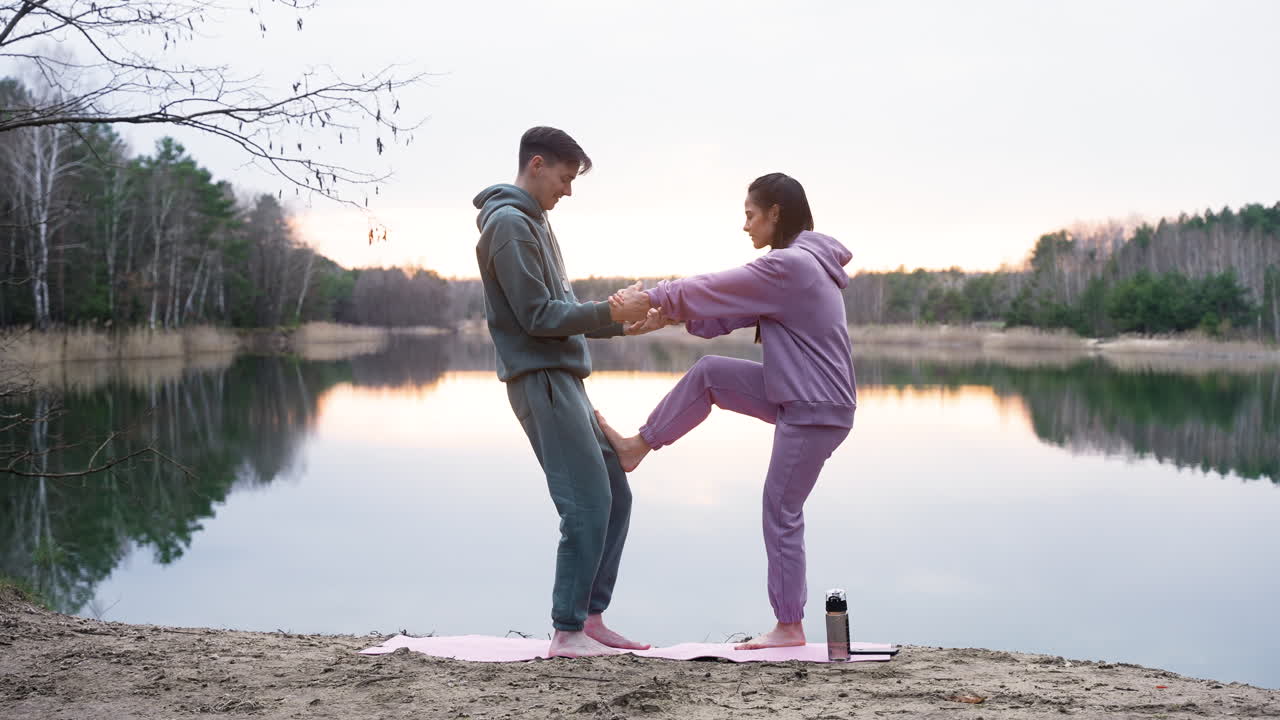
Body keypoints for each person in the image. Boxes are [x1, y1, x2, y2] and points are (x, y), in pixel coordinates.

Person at [597, 172, 857, 650]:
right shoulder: (797, 267)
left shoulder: (792, 265)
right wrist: (666, 315)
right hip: (800, 394)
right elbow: (724, 312)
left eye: (750, 214)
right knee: (711, 374)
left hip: (815, 406)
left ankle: (789, 626)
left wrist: (652, 297)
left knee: (781, 509)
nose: (745, 226)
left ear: (775, 212)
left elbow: (715, 286)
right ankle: (638, 446)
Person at [473, 126, 661, 658]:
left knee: (614, 493)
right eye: (565, 177)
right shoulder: (509, 225)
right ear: (536, 165)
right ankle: (567, 631)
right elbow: (537, 318)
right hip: (542, 381)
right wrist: (609, 311)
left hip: (566, 379)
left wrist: (623, 326)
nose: (568, 190)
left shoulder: (533, 222)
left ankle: (590, 619)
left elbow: (562, 310)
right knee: (586, 503)